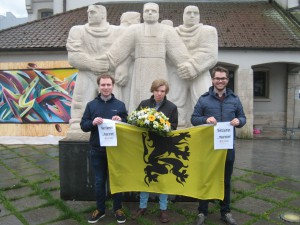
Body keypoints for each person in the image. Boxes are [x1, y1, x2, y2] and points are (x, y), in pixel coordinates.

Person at [104, 2, 194, 113]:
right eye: (147, 11)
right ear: (143, 14)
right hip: (140, 71)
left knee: (160, 95)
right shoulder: (134, 29)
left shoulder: (167, 30)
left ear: (158, 14)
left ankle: (161, 123)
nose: (150, 13)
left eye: (153, 11)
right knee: (139, 100)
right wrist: (103, 64)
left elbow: (180, 55)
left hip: (159, 70)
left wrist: (190, 67)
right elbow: (118, 51)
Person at [191, 66, 246, 225]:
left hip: (227, 148)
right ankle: (202, 211)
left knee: (226, 181)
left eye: (223, 78)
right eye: (217, 78)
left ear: (227, 80)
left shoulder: (234, 99)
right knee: (206, 179)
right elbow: (194, 118)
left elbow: (243, 117)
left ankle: (226, 212)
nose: (220, 81)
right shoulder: (204, 99)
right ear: (213, 80)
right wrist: (205, 120)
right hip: (208, 148)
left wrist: (239, 121)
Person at [66, 4, 128, 139]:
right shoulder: (78, 31)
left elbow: (128, 52)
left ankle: (117, 126)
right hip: (87, 74)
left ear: (103, 14)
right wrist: (92, 64)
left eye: (93, 12)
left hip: (110, 76)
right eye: (89, 12)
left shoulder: (118, 31)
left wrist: (122, 68)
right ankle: (79, 126)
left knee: (115, 106)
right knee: (81, 107)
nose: (89, 14)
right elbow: (73, 56)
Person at [80, 74, 128, 224]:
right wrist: (92, 122)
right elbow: (83, 125)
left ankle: (117, 208)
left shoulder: (120, 105)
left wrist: (121, 120)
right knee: (100, 181)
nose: (106, 87)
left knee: (116, 181)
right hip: (97, 150)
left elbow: (128, 123)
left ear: (113, 86)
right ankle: (100, 210)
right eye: (103, 85)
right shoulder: (91, 105)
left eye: (108, 85)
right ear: (98, 86)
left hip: (116, 150)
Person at [132, 79, 178, 223]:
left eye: (162, 91)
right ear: (153, 90)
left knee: (163, 179)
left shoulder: (171, 107)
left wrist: (163, 126)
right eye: (157, 90)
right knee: (145, 176)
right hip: (145, 146)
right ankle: (142, 206)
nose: (159, 93)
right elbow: (134, 121)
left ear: (166, 92)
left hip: (163, 147)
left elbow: (174, 126)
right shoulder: (144, 104)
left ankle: (163, 209)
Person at [169, 5, 218, 127]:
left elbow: (211, 54)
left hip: (200, 73)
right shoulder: (173, 32)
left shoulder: (208, 31)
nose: (192, 15)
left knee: (203, 103)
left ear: (199, 16)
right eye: (189, 13)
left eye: (195, 13)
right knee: (175, 103)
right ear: (183, 16)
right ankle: (177, 132)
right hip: (178, 73)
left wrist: (193, 66)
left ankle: (201, 132)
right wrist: (182, 66)